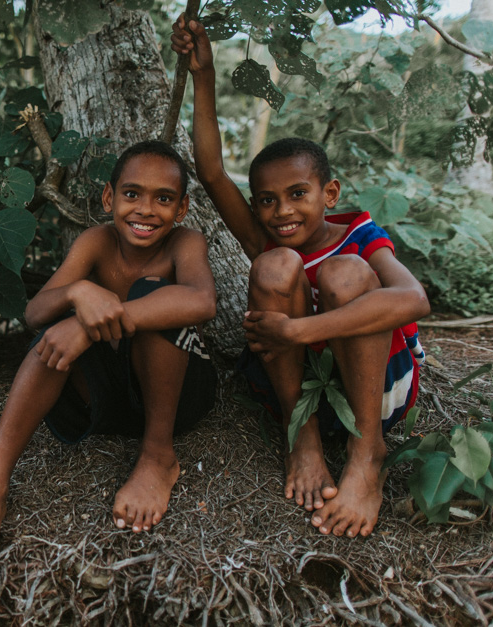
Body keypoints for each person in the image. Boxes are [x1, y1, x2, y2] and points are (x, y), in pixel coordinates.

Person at [171, 17, 429, 538]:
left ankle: (366, 456)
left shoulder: (361, 234)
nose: (280, 211)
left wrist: (297, 331)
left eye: (297, 194)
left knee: (346, 274)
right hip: (306, 394)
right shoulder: (269, 242)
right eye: (266, 200)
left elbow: (412, 299)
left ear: (328, 194)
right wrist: (204, 77)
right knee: (274, 266)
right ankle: (302, 439)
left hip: (376, 394)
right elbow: (212, 171)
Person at [0, 140, 218, 590]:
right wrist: (77, 295)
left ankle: (157, 456)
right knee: (49, 338)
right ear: (109, 198)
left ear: (183, 207)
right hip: (109, 398)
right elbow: (36, 313)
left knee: (152, 294)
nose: (146, 210)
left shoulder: (185, 244)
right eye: (132, 194)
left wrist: (91, 326)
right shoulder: (95, 242)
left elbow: (201, 301)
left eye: (164, 198)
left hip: (177, 395)